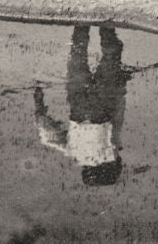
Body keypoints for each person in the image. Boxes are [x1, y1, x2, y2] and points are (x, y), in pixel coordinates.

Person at [33, 24, 129, 186]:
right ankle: (81, 23)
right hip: (78, 106)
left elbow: (117, 119)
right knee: (77, 55)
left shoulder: (111, 154)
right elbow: (46, 137)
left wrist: (120, 86)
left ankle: (106, 25)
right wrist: (39, 107)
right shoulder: (75, 154)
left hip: (101, 108)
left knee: (111, 56)